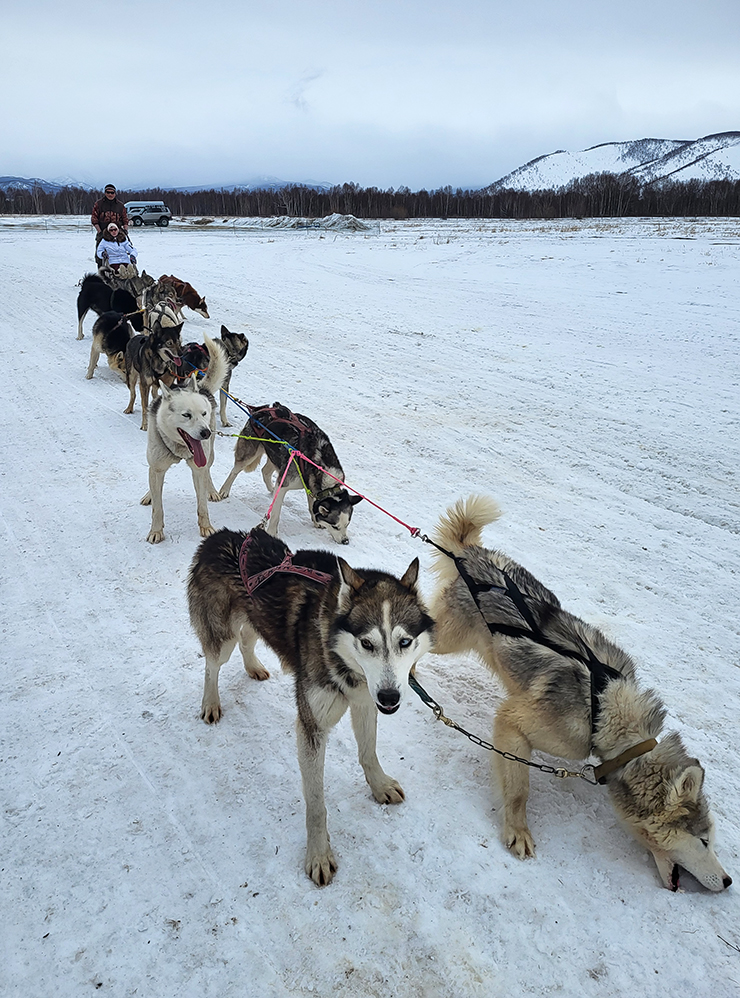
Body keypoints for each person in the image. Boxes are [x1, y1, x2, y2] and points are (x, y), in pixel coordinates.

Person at [92, 184, 128, 264]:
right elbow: (94, 219)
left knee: (121, 254)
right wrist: (99, 232)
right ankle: (101, 273)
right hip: (102, 231)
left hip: (117, 232)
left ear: (115, 193)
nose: (110, 194)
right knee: (100, 256)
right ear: (105, 193)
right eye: (108, 192)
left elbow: (125, 219)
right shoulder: (99, 204)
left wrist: (125, 230)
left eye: (112, 193)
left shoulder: (120, 205)